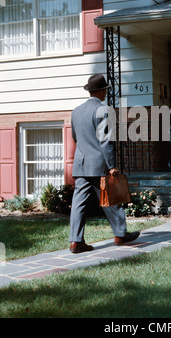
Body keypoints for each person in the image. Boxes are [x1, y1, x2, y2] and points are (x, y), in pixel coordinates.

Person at [69, 73, 140, 253]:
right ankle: (120, 235)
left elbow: (75, 137)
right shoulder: (103, 110)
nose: (106, 94)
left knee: (78, 204)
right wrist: (112, 165)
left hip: (80, 163)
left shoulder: (76, 111)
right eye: (105, 90)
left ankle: (75, 242)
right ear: (101, 91)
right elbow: (106, 141)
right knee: (112, 198)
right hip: (98, 163)